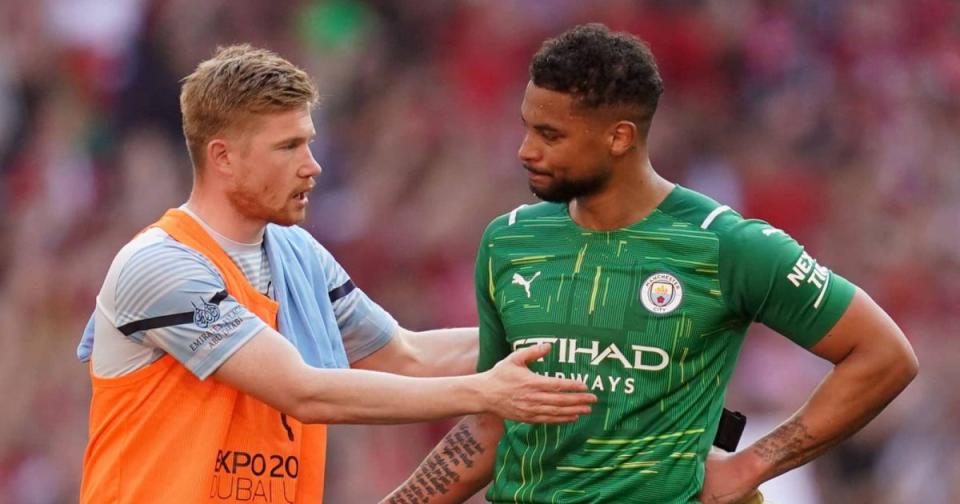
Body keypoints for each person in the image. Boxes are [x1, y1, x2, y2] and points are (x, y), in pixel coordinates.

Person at [384, 23, 918, 504]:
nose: (525, 150)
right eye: (527, 127)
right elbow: (492, 421)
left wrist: (752, 466)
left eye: (550, 135)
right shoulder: (511, 240)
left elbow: (883, 355)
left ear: (619, 137)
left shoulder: (724, 245)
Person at [75, 44, 598, 504]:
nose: (312, 165)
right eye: (287, 147)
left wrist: (560, 334)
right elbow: (304, 391)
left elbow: (407, 356)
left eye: (308, 141)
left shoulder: (299, 253)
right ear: (223, 158)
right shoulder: (160, 265)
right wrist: (486, 391)